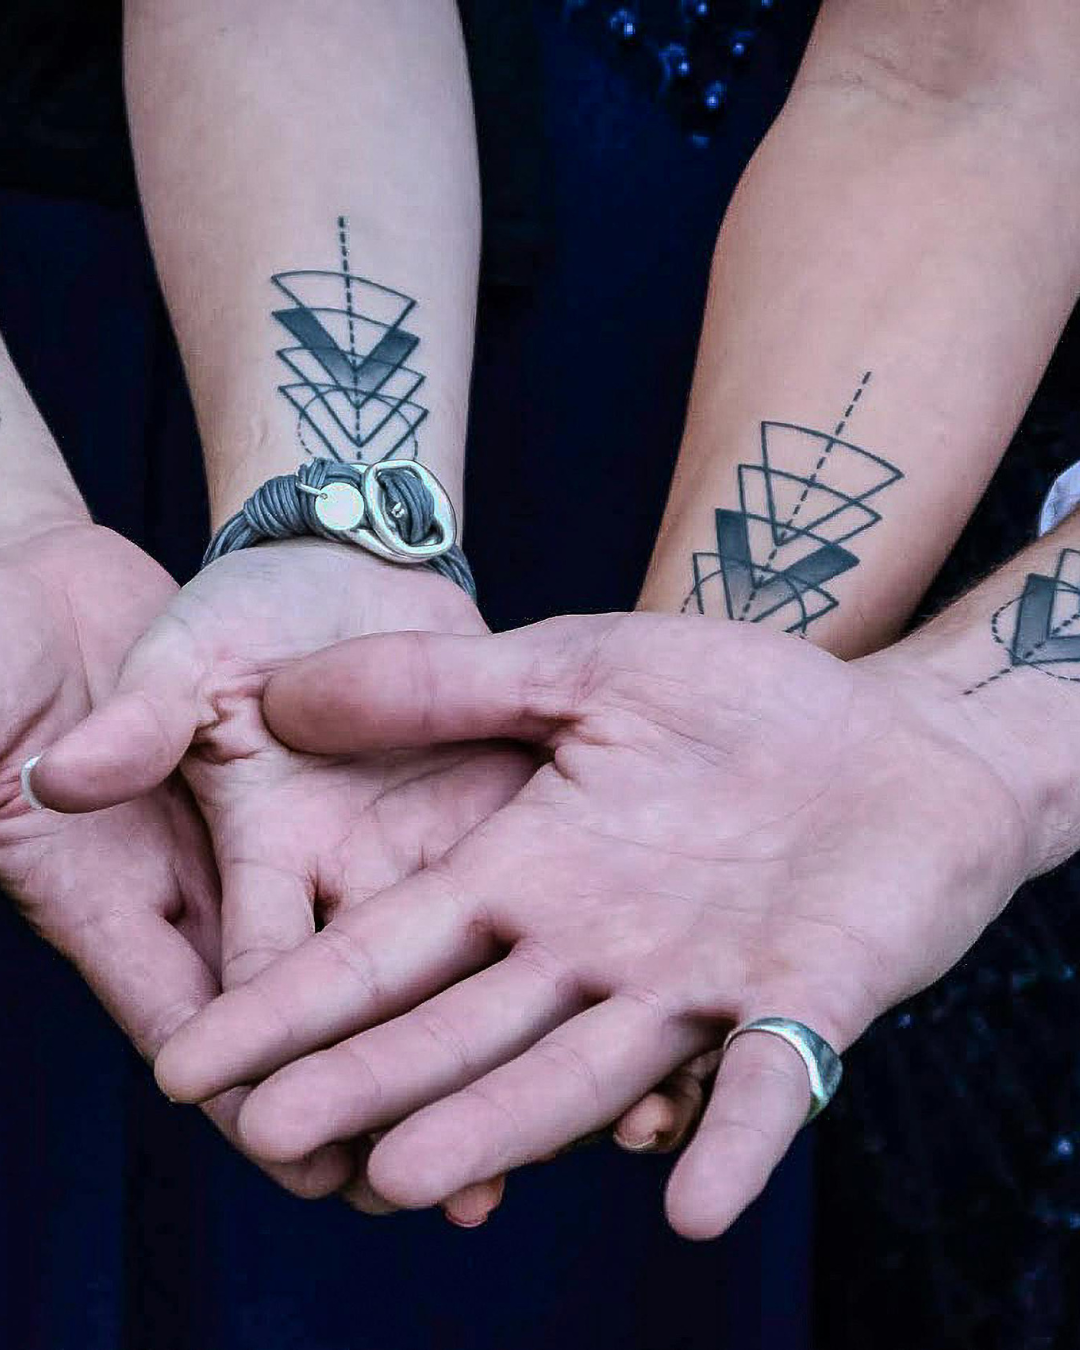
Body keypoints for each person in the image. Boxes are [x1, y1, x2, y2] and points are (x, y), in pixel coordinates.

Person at [2, 0, 1079, 1346]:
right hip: (238, 224)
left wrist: (968, 727)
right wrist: (325, 512)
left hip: (804, 346)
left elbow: (960, 81)